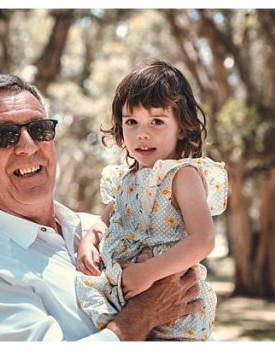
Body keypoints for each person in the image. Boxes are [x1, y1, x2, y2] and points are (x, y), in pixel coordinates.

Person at [0, 74, 201, 341]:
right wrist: (144, 314)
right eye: (4, 135)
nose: (28, 146)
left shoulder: (100, 228)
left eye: (39, 129)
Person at [74, 59, 227, 341]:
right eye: (131, 122)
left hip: (174, 303)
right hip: (127, 296)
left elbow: (203, 239)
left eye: (157, 121)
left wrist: (147, 272)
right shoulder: (125, 179)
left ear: (181, 127)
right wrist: (88, 242)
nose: (142, 133)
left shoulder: (182, 176)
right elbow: (104, 221)